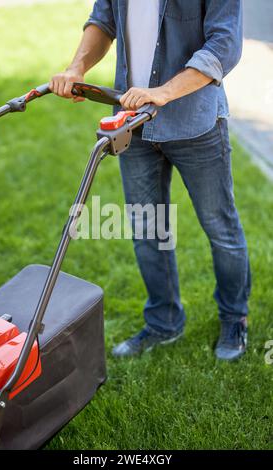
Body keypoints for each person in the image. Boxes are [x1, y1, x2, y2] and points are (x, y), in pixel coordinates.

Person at [50, 0, 251, 361]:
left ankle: (235, 318)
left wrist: (163, 92)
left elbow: (224, 44)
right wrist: (77, 67)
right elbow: (103, 20)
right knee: (148, 230)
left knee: (220, 228)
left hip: (196, 123)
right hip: (133, 124)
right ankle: (164, 322)